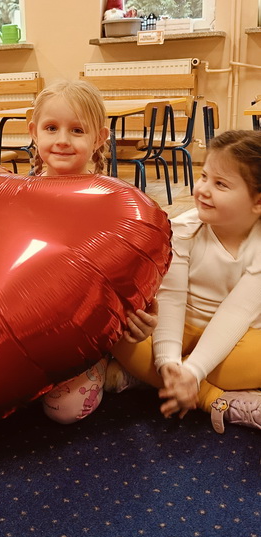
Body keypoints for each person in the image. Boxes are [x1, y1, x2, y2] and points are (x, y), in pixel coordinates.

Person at [110, 129, 261, 433]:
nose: (203, 189)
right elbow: (171, 298)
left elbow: (236, 314)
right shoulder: (183, 229)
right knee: (118, 328)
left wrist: (192, 370)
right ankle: (213, 398)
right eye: (204, 176)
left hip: (239, 339)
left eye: (220, 184)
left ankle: (155, 379)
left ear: (257, 202)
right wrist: (168, 361)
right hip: (178, 328)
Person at [28, 79, 158, 423]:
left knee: (64, 409)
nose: (62, 140)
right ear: (33, 131)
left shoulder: (115, 202)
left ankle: (117, 367)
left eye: (77, 130)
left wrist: (145, 313)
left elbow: (136, 268)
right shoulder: (17, 194)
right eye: (51, 128)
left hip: (88, 330)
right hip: (32, 321)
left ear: (99, 138)